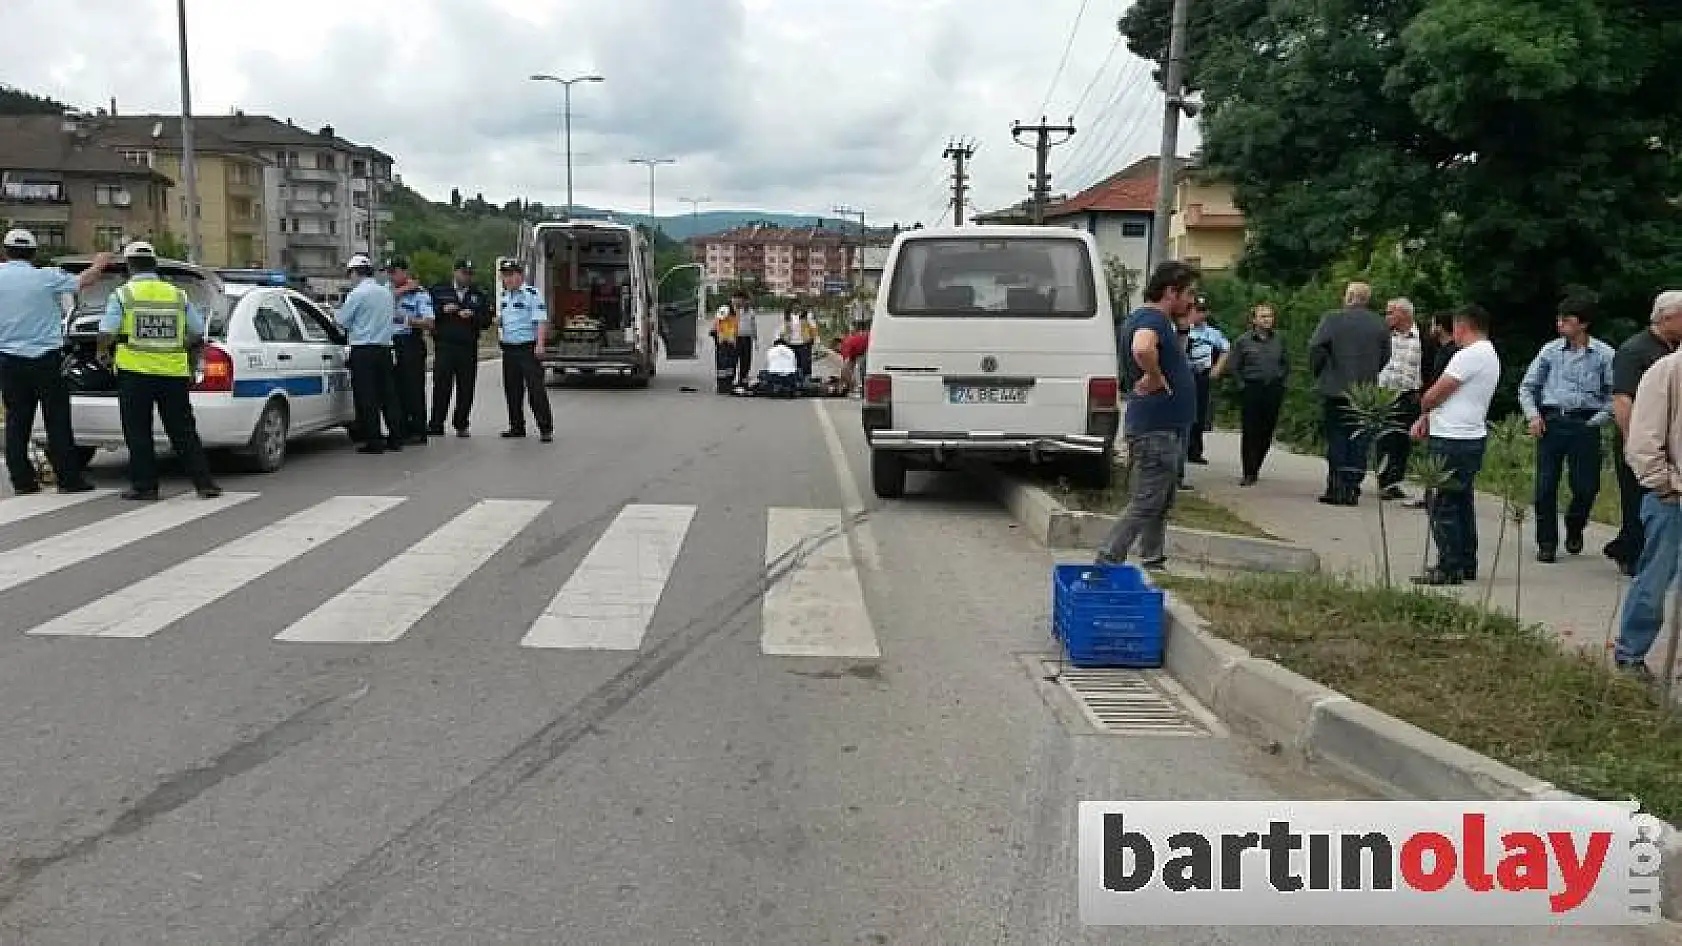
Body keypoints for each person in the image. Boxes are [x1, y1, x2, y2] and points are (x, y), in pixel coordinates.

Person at [95, 241, 221, 500]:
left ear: (130, 266)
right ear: (154, 265)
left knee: (138, 431)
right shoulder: (177, 295)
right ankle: (204, 483)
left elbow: (107, 332)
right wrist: (179, 349)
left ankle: (146, 486)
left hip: (135, 373)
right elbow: (197, 333)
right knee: (183, 430)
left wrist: (102, 352)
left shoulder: (123, 294)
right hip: (173, 373)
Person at [1096, 260, 1200, 570]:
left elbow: (1168, 356)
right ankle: (1107, 560)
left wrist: (1182, 330)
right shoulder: (1151, 320)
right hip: (1156, 429)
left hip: (1166, 426)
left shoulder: (1158, 321)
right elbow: (1143, 348)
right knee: (1146, 501)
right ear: (1171, 291)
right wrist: (1153, 376)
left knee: (1160, 500)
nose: (1192, 301)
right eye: (1189, 294)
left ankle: (1153, 559)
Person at [0, 229, 110, 494]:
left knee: (16, 421)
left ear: (5, 251)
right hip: (45, 360)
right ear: (33, 253)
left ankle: (22, 481)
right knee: (57, 420)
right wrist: (100, 262)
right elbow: (84, 281)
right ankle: (69, 479)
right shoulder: (46, 277)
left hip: (8, 360)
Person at [1517, 295, 1615, 563]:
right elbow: (1528, 387)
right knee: (1545, 486)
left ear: (1583, 324)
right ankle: (1546, 541)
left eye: (1567, 320)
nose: (1560, 325)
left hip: (1585, 421)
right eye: (1559, 319)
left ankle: (1575, 523)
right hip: (1552, 420)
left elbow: (1614, 394)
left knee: (1586, 486)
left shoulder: (1604, 355)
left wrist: (1598, 419)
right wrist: (1533, 416)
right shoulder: (1550, 351)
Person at [1615, 290, 1682, 680]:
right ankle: (1630, 655)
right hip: (1671, 499)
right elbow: (1642, 441)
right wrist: (1664, 486)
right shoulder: (1667, 371)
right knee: (1655, 580)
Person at [1409, 304, 1499, 585]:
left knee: (1442, 503)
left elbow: (1436, 393)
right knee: (1461, 501)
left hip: (1451, 437)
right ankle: (1465, 561)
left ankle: (1449, 565)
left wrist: (1424, 406)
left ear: (1463, 327)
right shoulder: (1491, 354)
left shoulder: (1467, 357)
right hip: (1471, 435)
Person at [1606, 294, 1682, 576]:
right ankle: (1633, 554)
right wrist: (1631, 440)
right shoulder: (1635, 350)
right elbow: (1622, 399)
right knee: (1637, 499)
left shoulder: (1671, 349)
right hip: (1639, 440)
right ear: (1666, 317)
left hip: (1665, 440)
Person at [1308, 281, 1392, 505]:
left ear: (1349, 297)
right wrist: (1371, 371)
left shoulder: (1332, 319)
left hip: (1335, 388)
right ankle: (1352, 486)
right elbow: (1386, 356)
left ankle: (1336, 487)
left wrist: (1321, 372)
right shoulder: (1379, 324)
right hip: (1365, 392)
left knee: (1337, 438)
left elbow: (1316, 347)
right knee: (1359, 441)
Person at [335, 253, 405, 454]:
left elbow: (342, 322)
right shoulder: (385, 293)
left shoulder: (357, 294)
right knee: (388, 396)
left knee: (367, 398)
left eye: (350, 274)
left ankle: (374, 441)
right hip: (384, 349)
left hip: (363, 350)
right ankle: (396, 438)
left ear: (355, 273)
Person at [428, 259, 491, 437]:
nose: (467, 277)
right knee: (441, 385)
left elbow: (487, 320)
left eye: (470, 274)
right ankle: (436, 423)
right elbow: (427, 312)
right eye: (464, 273)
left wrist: (473, 315)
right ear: (455, 272)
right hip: (445, 344)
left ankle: (461, 423)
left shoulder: (479, 294)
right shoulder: (439, 290)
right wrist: (442, 310)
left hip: (467, 346)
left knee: (466, 387)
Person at [1229, 302, 1289, 486]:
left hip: (1273, 388)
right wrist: (1242, 385)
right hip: (1252, 387)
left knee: (1267, 429)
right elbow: (1234, 365)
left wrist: (1283, 382)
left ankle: (1257, 464)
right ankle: (1249, 470)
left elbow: (1286, 363)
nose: (1267, 320)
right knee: (1250, 430)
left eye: (1269, 316)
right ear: (1254, 320)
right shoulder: (1244, 341)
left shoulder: (1279, 340)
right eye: (1263, 316)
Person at [495, 259, 554, 442]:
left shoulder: (531, 294)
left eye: (511, 275)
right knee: (512, 389)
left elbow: (540, 320)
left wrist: (540, 344)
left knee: (535, 390)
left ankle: (545, 428)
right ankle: (516, 426)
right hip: (509, 349)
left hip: (527, 348)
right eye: (505, 275)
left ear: (520, 275)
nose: (508, 279)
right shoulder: (505, 297)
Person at [1375, 298, 1424, 502]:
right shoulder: (1384, 336)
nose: (1387, 317)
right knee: (1384, 438)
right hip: (1386, 393)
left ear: (1404, 315)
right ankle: (1383, 479)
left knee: (1402, 441)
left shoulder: (1422, 338)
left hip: (1409, 394)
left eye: (1390, 313)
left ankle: (1394, 481)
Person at [386, 257, 433, 445]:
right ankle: (400, 428)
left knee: (412, 388)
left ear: (405, 272)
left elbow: (429, 322)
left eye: (394, 272)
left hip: (410, 342)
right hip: (390, 343)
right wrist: (401, 291)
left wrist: (407, 320)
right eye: (389, 272)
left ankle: (417, 429)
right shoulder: (387, 292)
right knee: (395, 389)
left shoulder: (419, 295)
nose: (391, 276)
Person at [1183, 295, 1229, 466]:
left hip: (1202, 376)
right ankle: (1183, 448)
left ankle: (1195, 450)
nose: (1200, 315)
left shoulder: (1213, 333)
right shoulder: (1183, 328)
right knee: (1184, 412)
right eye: (1197, 310)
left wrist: (1217, 368)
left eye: (1203, 311)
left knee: (1200, 414)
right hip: (1184, 375)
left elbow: (1225, 349)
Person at [711, 297, 743, 395]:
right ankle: (721, 386)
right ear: (735, 299)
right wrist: (719, 336)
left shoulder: (735, 310)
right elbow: (718, 322)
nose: (741, 303)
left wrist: (735, 338)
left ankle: (728, 384)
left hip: (731, 341)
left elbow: (734, 326)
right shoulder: (725, 308)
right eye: (740, 300)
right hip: (724, 341)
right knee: (723, 365)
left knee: (730, 364)